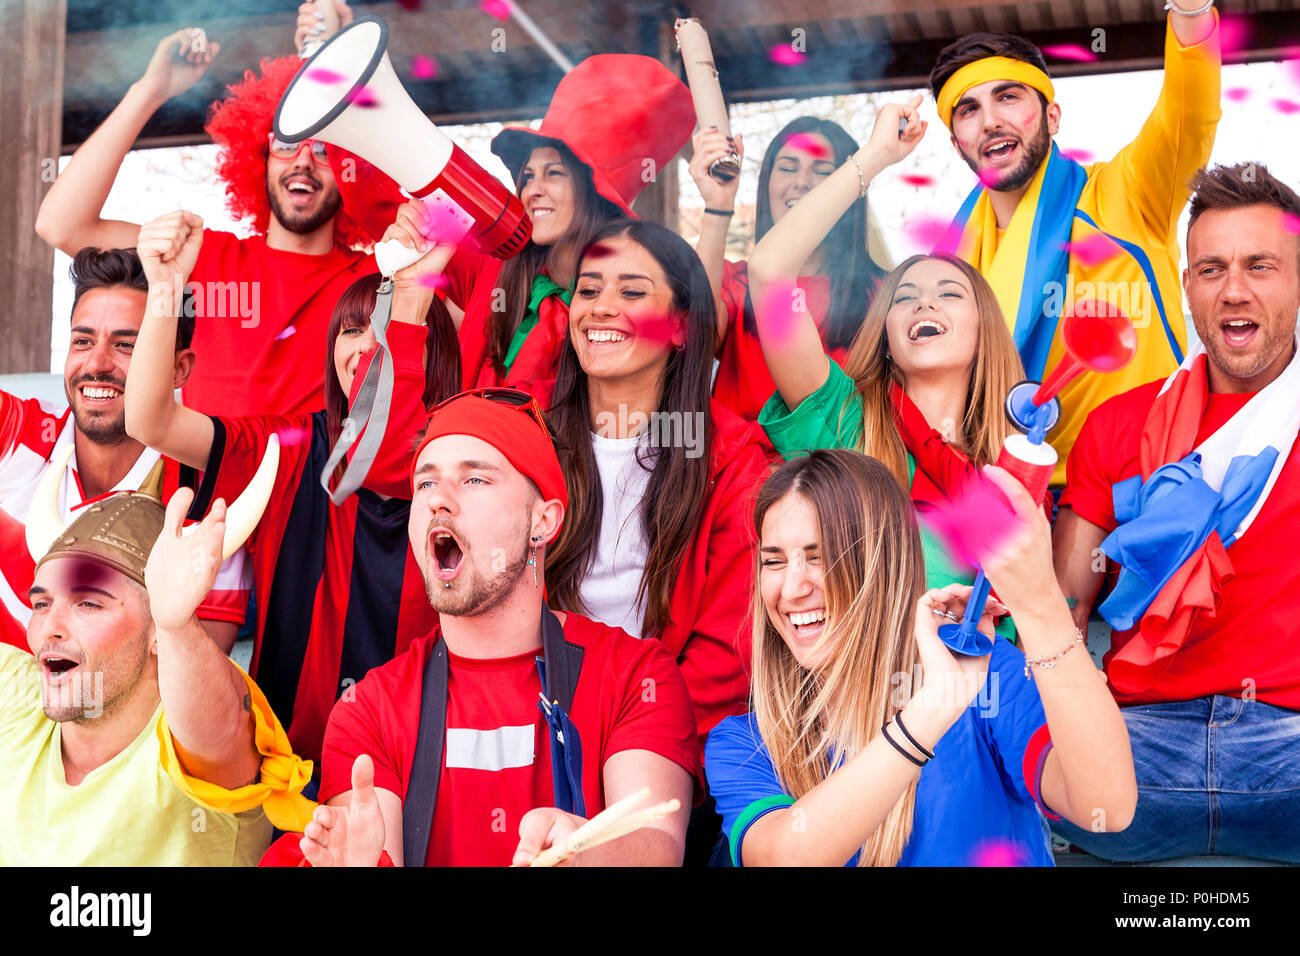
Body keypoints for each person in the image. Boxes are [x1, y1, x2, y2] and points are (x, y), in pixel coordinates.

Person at [243, 390, 701, 866]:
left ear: (542, 522)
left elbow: (656, 845)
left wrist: (589, 855)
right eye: (425, 484)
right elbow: (367, 852)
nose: (440, 500)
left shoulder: (636, 677)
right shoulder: (367, 712)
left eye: (475, 478)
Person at [125, 210, 460, 765]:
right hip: (289, 765)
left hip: (426, 763)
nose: (365, 344)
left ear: (431, 346)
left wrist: (412, 299)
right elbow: (149, 421)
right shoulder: (293, 444)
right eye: (351, 329)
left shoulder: (469, 449)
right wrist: (165, 294)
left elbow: (387, 457)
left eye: (388, 325)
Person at [705, 449, 1136, 866]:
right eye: (774, 561)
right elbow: (790, 860)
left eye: (819, 557)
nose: (792, 588)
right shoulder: (743, 743)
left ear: (882, 564)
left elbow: (1107, 806)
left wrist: (1040, 604)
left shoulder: (986, 671)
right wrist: (936, 704)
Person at [1052, 163, 1300, 862]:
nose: (1235, 290)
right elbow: (1064, 615)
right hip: (1139, 756)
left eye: (1262, 266)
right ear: (1187, 285)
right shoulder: (1117, 425)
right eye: (1212, 269)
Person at [748, 97, 1030, 633]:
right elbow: (769, 270)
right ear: (884, 338)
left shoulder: (1012, 470)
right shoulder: (841, 416)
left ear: (983, 330)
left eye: (949, 293)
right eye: (904, 297)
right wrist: (875, 157)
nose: (924, 303)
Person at [544, 219, 774, 862]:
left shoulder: (733, 459)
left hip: (656, 754)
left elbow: (725, 656)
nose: (602, 308)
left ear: (678, 326)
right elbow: (396, 465)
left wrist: (630, 752)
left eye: (632, 291)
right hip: (519, 732)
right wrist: (411, 290)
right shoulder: (518, 423)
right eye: (588, 290)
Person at [34, 32, 399, 418]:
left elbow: (456, 277)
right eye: (286, 143)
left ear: (351, 168)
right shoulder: (201, 257)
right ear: (259, 157)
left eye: (325, 149)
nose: (303, 161)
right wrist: (151, 90)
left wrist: (345, 68)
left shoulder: (377, 279)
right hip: (203, 478)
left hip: (317, 477)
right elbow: (62, 225)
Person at [930, 1, 1222, 485]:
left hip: (1142, 489)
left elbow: (1187, 116)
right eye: (969, 110)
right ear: (958, 141)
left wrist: (1191, 11)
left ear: (1052, 116)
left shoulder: (1125, 196)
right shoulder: (944, 265)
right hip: (1005, 503)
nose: (990, 122)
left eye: (1008, 97)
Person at [0, 443, 301, 864]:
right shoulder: (17, 697)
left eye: (89, 603)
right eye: (42, 603)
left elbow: (220, 736)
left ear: (157, 630)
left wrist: (176, 623)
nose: (50, 628)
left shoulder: (197, 734)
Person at [393, 53, 694, 404]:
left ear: (594, 194)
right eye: (528, 175)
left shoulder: (629, 314)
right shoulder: (493, 265)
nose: (531, 190)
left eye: (554, 173)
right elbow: (379, 199)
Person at [0, 247, 248, 653]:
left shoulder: (205, 494)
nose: (96, 363)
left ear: (178, 368)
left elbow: (193, 674)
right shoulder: (20, 432)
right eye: (82, 340)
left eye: (126, 346)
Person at [690, 117, 887, 422]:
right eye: (787, 167)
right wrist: (718, 204)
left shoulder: (885, 295)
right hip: (738, 468)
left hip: (843, 467)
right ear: (766, 181)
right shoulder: (735, 281)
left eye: (823, 171)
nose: (802, 182)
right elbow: (692, 337)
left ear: (850, 190)